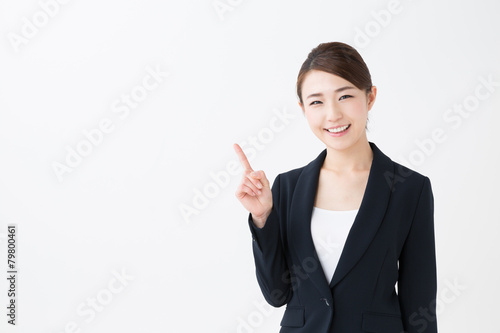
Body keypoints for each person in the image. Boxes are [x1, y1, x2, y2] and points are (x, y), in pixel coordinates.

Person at [233, 41, 438, 333]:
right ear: (303, 109)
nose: (333, 114)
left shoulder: (409, 189)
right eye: (317, 101)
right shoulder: (287, 187)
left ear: (370, 97)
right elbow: (276, 294)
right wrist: (263, 217)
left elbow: (420, 304)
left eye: (344, 96)